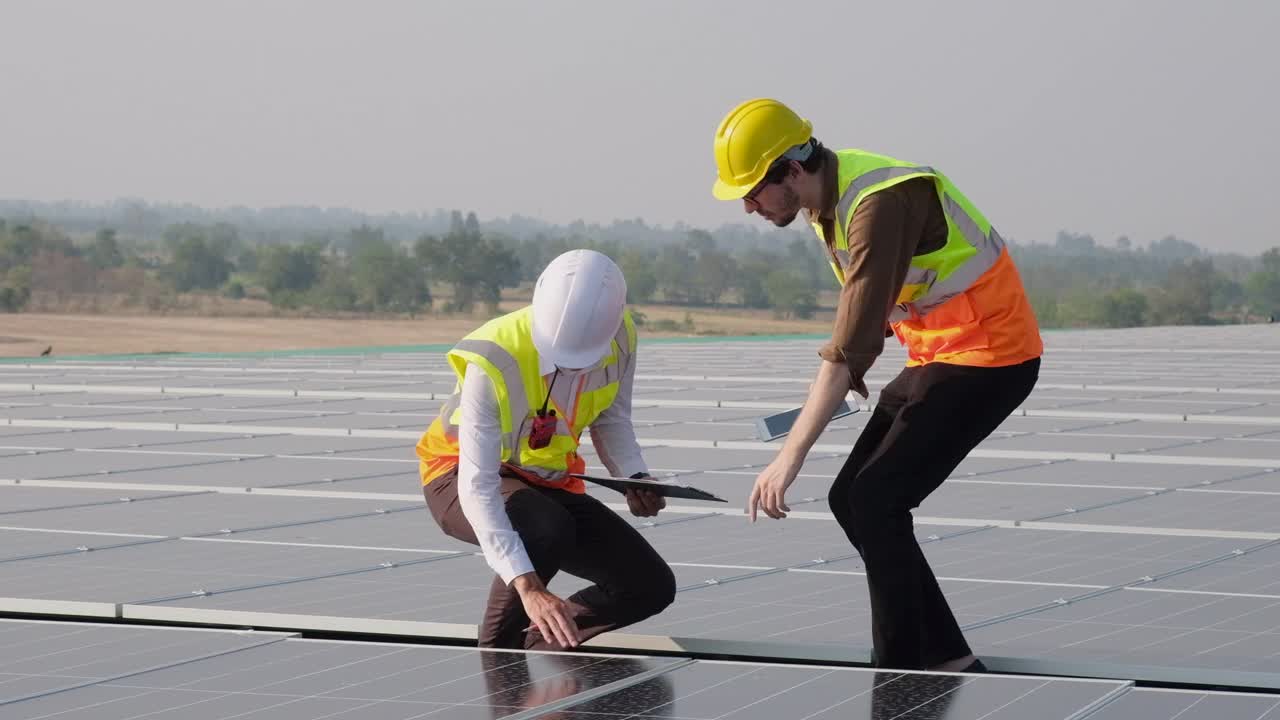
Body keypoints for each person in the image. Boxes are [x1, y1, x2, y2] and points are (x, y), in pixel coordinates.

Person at [711, 98, 1044, 672]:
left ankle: (902, 673)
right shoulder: (829, 205)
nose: (747, 207)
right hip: (940, 355)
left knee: (877, 499)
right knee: (852, 498)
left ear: (791, 170)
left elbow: (847, 350)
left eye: (753, 191)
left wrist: (788, 458)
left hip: (991, 353)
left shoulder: (876, 205)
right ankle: (946, 656)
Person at [415, 249, 676, 651]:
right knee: (542, 527)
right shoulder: (494, 355)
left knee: (648, 585)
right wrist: (528, 586)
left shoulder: (621, 335)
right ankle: (499, 659)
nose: (571, 368)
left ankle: (541, 645)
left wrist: (635, 476)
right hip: (456, 475)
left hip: (545, 480)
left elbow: (612, 418)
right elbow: (477, 484)